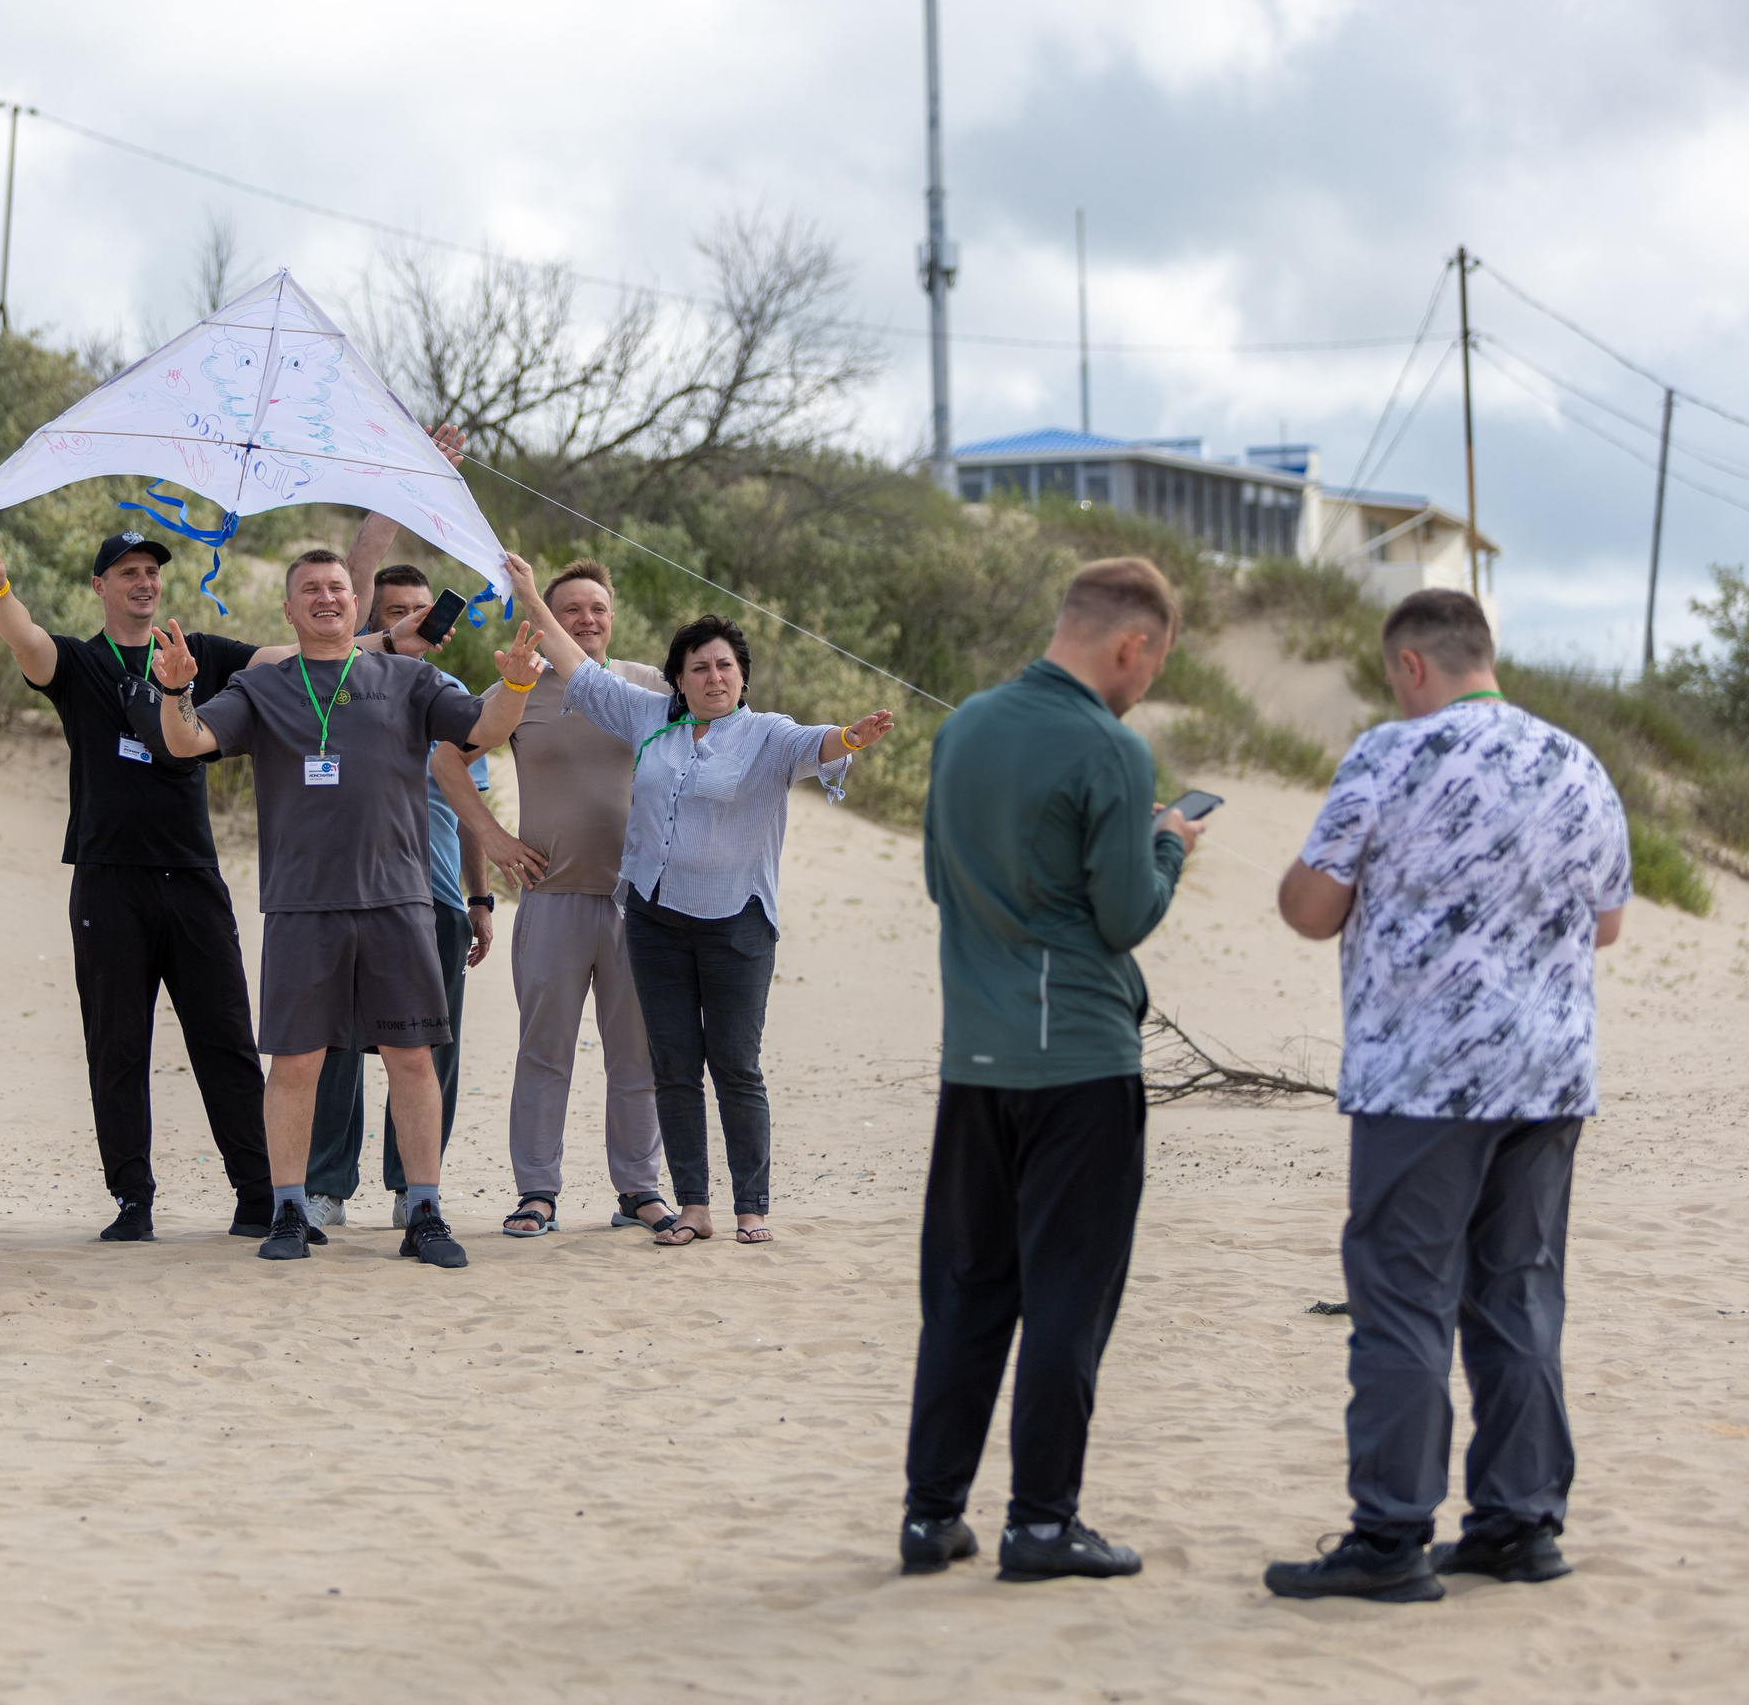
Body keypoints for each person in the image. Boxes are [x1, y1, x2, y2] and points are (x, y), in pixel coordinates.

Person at [1263, 589, 1629, 1604]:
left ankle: (1389, 1534)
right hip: (1549, 1077)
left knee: (1402, 1300)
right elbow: (1606, 924)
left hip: (1421, 1080)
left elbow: (1310, 906)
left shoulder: (1391, 753)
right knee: (1516, 1293)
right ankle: (1518, 1522)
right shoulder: (1577, 763)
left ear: (1412, 666)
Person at [0, 530, 441, 1242]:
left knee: (226, 1038)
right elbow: (24, 639)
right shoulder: (82, 663)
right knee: (117, 1044)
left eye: (152, 571)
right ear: (101, 586)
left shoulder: (201, 655)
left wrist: (390, 636)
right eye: (128, 572)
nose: (144, 582)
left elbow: (299, 657)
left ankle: (260, 1197)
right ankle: (133, 1199)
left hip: (193, 875)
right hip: (108, 877)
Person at [894, 556, 1201, 1585]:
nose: (1146, 683)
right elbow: (1124, 914)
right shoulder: (1111, 748)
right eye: (1151, 664)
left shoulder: (966, 724)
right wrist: (1168, 849)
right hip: (1076, 1060)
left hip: (972, 1055)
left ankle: (930, 1512)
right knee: (1068, 1298)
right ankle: (1039, 1522)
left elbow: (942, 878)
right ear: (1130, 644)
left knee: (967, 1290)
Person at [151, 549, 542, 1266]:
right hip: (303, 908)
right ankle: (290, 1212)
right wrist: (175, 691)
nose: (327, 598)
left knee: (412, 1057)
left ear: (356, 605)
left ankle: (423, 1210)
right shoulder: (260, 686)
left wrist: (515, 681)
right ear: (291, 610)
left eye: (337, 588)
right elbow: (188, 741)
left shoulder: (410, 677)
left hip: (398, 901)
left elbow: (482, 730)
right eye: (311, 590)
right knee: (296, 1063)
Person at [500, 552, 894, 1248]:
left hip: (734, 922)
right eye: (700, 667)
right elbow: (576, 667)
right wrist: (529, 595)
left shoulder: (766, 732)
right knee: (658, 1062)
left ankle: (729, 1203)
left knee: (725, 1064)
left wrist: (850, 736)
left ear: (742, 675)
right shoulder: (651, 714)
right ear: (679, 679)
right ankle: (662, 1202)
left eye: (725, 666)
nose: (713, 676)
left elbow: (817, 744)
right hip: (646, 916)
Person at [444, 559, 667, 1237]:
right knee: (545, 1051)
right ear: (544, 616)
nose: (586, 619)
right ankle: (537, 1191)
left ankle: (639, 1189)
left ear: (613, 616)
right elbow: (447, 755)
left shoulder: (650, 686)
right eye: (570, 609)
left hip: (640, 904)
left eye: (597, 607)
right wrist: (493, 835)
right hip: (552, 898)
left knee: (638, 1053)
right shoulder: (519, 686)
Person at [300, 560, 498, 1230]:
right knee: (335, 1045)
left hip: (435, 896)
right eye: (396, 611)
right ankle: (325, 1185)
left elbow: (470, 804)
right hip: (344, 893)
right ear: (369, 617)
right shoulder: (334, 687)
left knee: (428, 1050)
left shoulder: (453, 692)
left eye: (424, 609)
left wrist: (480, 898)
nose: (416, 620)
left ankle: (412, 1188)